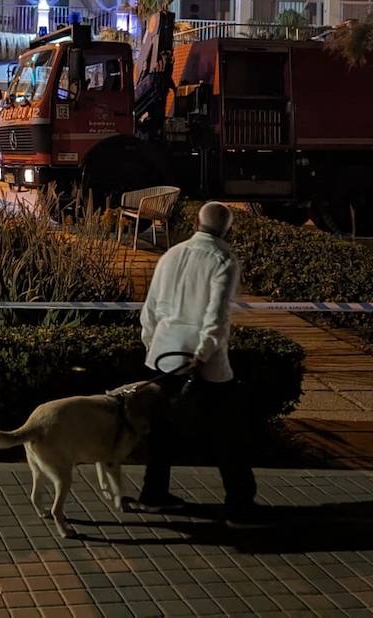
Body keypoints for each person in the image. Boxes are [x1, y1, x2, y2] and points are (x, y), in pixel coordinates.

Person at [131, 201, 260, 525]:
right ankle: (239, 505)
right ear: (227, 227)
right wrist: (202, 354)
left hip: (162, 352)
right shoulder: (224, 259)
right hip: (203, 361)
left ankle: (154, 494)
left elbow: (151, 308)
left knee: (160, 430)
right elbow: (216, 316)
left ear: (197, 222)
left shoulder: (171, 254)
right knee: (229, 432)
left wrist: (152, 344)